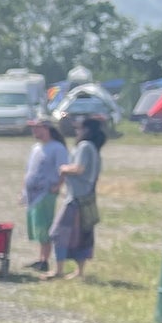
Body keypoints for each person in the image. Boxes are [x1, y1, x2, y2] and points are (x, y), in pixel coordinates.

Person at [47, 115, 105, 279]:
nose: (76, 131)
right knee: (81, 236)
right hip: (86, 197)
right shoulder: (94, 148)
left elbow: (78, 169)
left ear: (86, 130)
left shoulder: (85, 146)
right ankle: (79, 272)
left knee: (58, 233)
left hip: (76, 199)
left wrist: (64, 168)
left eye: (78, 128)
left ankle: (58, 270)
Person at [21, 118, 67, 272]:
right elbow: (29, 169)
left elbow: (63, 169)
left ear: (47, 129)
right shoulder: (36, 148)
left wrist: (58, 185)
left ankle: (45, 260)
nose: (34, 131)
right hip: (32, 194)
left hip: (46, 193)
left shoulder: (57, 148)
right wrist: (23, 192)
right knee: (36, 227)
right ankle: (40, 258)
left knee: (44, 227)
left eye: (37, 128)